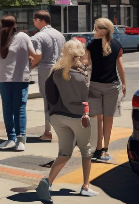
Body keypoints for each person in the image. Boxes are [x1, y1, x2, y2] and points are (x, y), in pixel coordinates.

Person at [36, 39, 99, 202]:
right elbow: (86, 99)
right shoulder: (81, 75)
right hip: (78, 117)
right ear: (80, 54)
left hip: (57, 117)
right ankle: (85, 186)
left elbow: (49, 95)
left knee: (64, 153)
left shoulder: (55, 72)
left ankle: (47, 183)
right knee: (86, 151)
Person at [0, 15, 40, 151]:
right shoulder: (23, 37)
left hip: (4, 78)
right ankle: (21, 140)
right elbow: (35, 54)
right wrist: (30, 63)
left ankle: (10, 138)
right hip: (21, 78)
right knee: (19, 108)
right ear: (15, 25)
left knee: (7, 109)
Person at [86, 18, 126, 162]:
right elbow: (120, 67)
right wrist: (124, 84)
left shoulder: (90, 45)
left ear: (99, 30)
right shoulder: (117, 45)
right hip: (112, 86)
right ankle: (105, 149)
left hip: (95, 85)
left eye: (95, 28)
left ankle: (97, 148)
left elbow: (86, 64)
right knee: (108, 119)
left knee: (98, 118)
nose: (93, 31)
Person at [30, 10, 66, 142]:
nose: (34, 22)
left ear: (39, 20)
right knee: (59, 99)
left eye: (34, 20)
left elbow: (36, 56)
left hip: (46, 69)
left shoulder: (38, 37)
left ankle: (48, 131)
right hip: (61, 67)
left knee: (47, 99)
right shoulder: (59, 35)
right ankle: (63, 130)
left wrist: (30, 67)